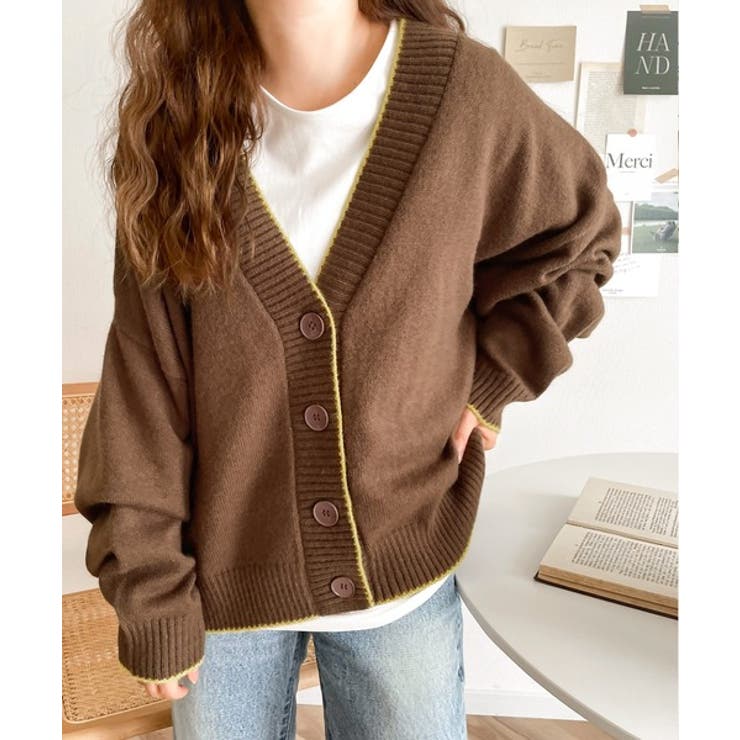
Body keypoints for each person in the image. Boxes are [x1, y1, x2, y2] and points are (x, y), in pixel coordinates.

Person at [73, 1, 622, 738]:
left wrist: (494, 381)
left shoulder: (464, 95)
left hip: (403, 566)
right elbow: (143, 388)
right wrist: (149, 588)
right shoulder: (175, 127)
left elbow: (580, 241)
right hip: (218, 587)